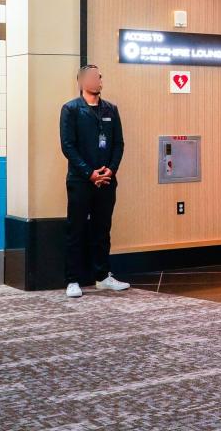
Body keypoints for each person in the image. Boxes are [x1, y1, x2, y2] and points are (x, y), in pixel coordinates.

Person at [59, 64, 129, 298]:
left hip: (107, 181)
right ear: (81, 81)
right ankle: (72, 280)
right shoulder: (70, 109)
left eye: (99, 76)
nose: (98, 80)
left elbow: (118, 144)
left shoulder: (111, 109)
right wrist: (90, 173)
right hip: (80, 181)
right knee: (76, 229)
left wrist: (110, 170)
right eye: (92, 76)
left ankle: (103, 276)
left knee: (103, 229)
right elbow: (68, 146)